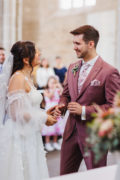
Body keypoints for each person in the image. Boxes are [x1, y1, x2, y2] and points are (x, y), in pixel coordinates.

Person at [54, 25, 120, 175]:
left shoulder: (109, 72)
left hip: (94, 136)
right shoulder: (72, 67)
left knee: (96, 176)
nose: (74, 48)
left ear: (91, 44)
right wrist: (62, 105)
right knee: (65, 175)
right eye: (73, 43)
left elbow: (115, 108)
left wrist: (84, 110)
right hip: (70, 132)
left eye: (77, 44)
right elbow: (66, 94)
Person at [0, 41, 57, 180]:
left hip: (30, 132)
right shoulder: (17, 78)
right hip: (19, 135)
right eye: (36, 52)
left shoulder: (27, 77)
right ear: (26, 59)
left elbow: (27, 108)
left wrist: (44, 113)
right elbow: (15, 113)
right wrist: (43, 118)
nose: (39, 54)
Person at [42, 76, 65, 151]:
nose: (53, 84)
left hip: (56, 110)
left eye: (54, 83)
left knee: (56, 127)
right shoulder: (46, 91)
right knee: (49, 128)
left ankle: (55, 142)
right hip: (49, 111)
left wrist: (59, 86)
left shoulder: (57, 90)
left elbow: (63, 92)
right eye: (51, 83)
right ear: (48, 83)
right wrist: (54, 89)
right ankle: (47, 143)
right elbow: (50, 96)